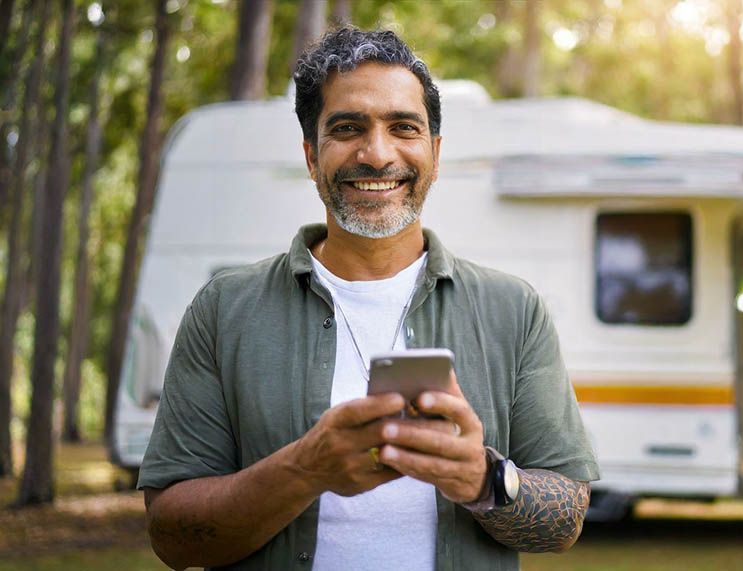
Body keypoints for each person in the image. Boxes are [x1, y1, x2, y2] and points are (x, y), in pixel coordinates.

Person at [138, 27, 599, 570]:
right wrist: (304, 469)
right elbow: (171, 535)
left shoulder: (514, 311)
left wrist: (482, 478)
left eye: (403, 127)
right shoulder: (223, 310)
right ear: (312, 157)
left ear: (435, 152)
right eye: (348, 128)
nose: (377, 154)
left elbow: (566, 519)